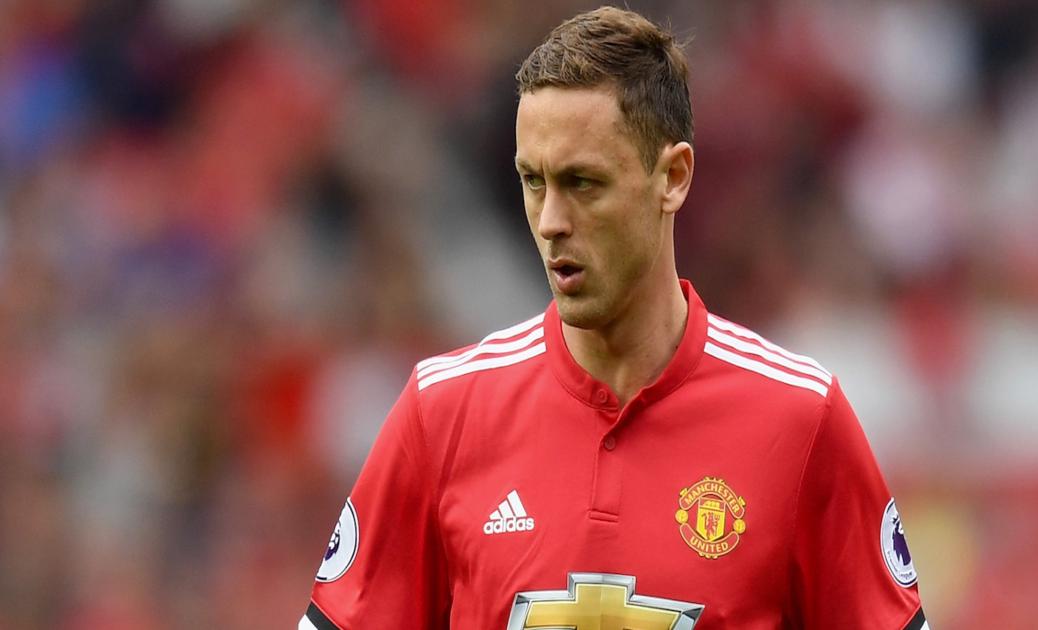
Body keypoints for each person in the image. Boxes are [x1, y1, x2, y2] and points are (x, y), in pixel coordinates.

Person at [300, 6, 928, 629]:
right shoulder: (443, 414)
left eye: (583, 182)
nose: (551, 221)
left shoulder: (800, 420)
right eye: (533, 181)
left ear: (673, 177)